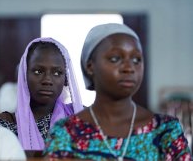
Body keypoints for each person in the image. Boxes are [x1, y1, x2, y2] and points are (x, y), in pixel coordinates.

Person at [44, 23, 192, 160]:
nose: (129, 68)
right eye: (115, 58)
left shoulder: (166, 130)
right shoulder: (66, 132)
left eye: (136, 60)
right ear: (90, 66)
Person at [0, 37, 84, 150]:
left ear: (66, 79)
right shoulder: (2, 125)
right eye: (38, 71)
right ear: (24, 75)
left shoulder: (82, 118)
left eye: (57, 73)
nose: (47, 80)